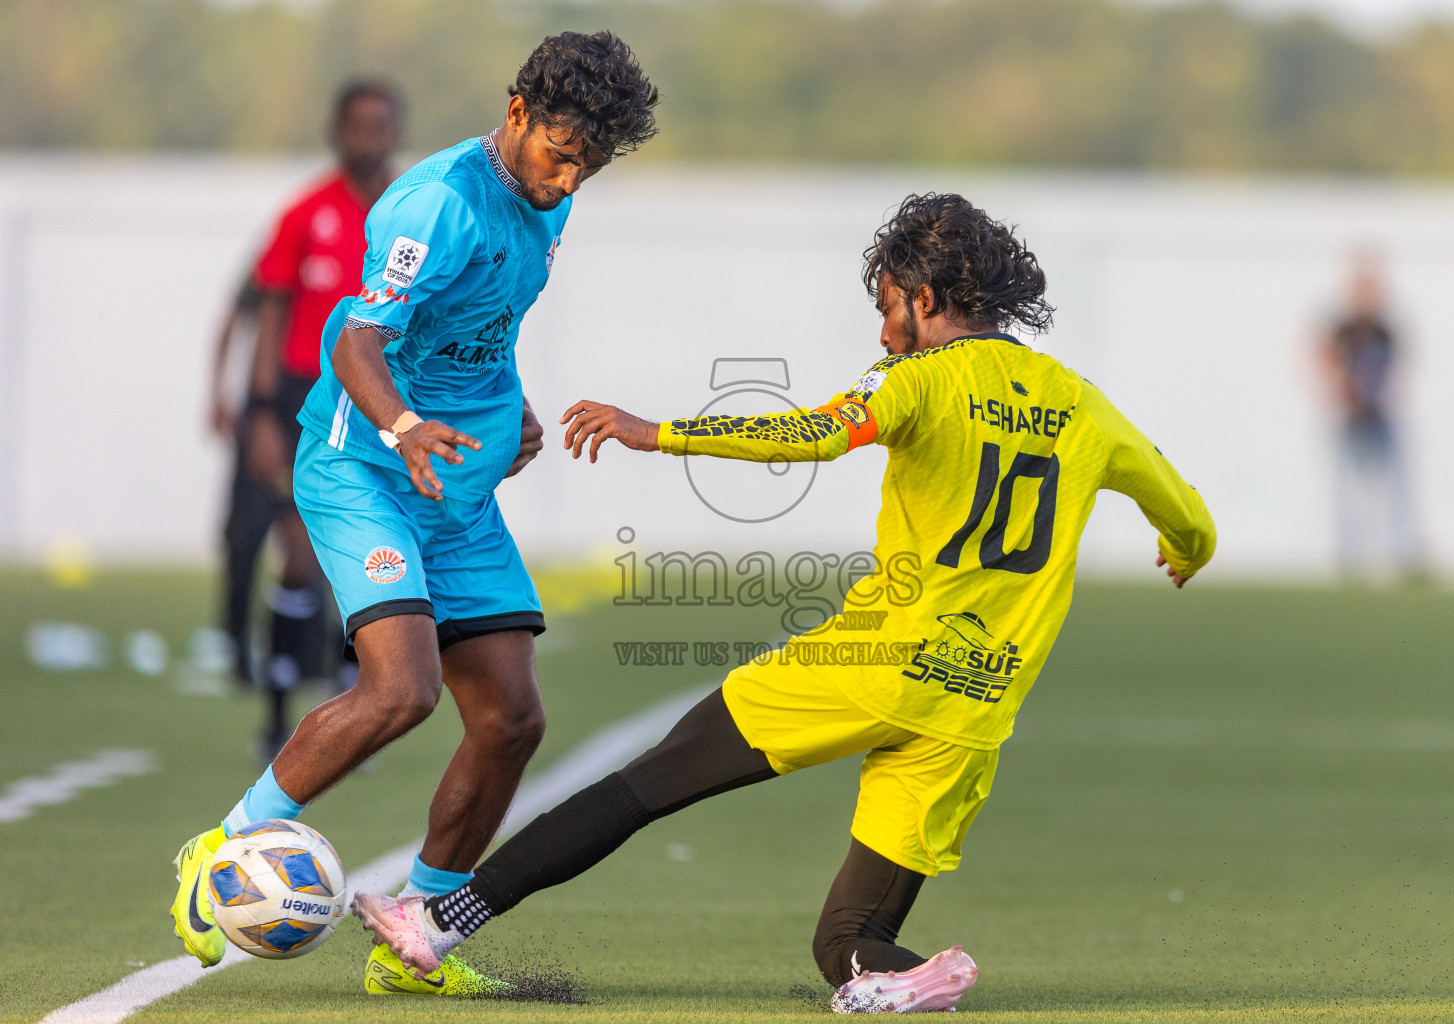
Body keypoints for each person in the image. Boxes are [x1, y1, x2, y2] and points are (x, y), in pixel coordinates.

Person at [352, 193, 1219, 1013]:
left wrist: (657, 431)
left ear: (925, 298)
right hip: (978, 703)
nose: (885, 333)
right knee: (851, 943)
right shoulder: (1083, 406)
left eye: (888, 309)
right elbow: (1188, 515)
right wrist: (1183, 552)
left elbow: (812, 433)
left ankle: (434, 924)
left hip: (877, 663)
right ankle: (905, 979)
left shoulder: (918, 380)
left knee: (647, 781)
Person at [170, 32, 660, 999]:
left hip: (457, 486)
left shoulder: (543, 205)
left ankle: (419, 935)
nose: (569, 181)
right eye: (561, 154)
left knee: (512, 717)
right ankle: (221, 848)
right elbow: (350, 339)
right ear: (516, 112)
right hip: (366, 468)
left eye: (589, 167)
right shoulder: (436, 203)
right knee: (403, 691)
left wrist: (506, 410)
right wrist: (402, 427)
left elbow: (483, 327)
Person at [242, 81, 405, 756]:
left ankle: (354, 706)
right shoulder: (304, 212)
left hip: (385, 394)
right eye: (356, 125)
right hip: (305, 395)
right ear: (336, 130)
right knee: (300, 553)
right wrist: (259, 410)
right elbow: (271, 309)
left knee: (369, 554)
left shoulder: (414, 210)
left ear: (396, 132)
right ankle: (277, 716)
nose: (367, 137)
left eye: (380, 125)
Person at [1318, 252, 1422, 580]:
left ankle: (1404, 552)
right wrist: (1341, 391)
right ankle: (1350, 555)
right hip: (1351, 420)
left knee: (1396, 485)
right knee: (1348, 487)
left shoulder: (1383, 329)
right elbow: (1325, 358)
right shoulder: (1344, 327)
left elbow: (1395, 367)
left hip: (1379, 417)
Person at [207, 272, 269, 686]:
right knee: (245, 533)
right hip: (267, 409)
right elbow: (233, 316)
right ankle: (234, 641)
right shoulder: (298, 229)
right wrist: (219, 393)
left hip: (326, 404)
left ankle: (316, 649)